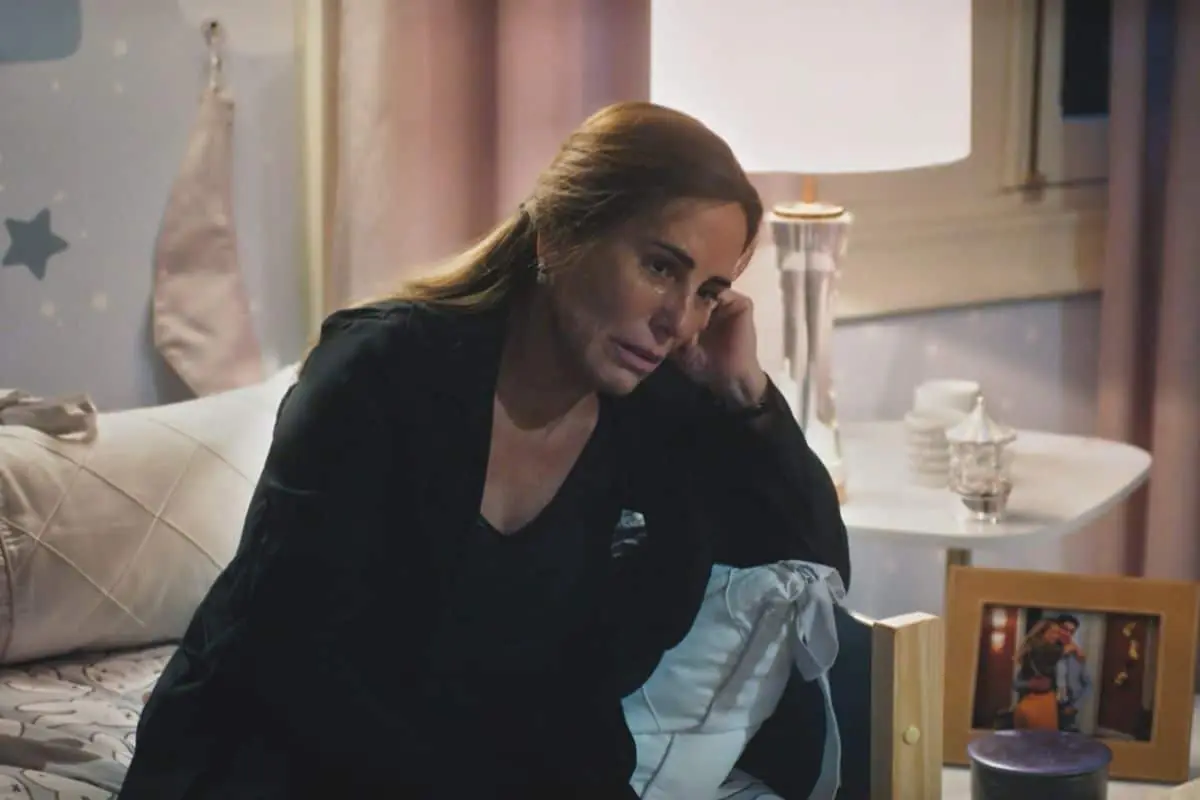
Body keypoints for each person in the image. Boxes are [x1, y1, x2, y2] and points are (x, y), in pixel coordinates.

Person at [118, 101, 849, 799]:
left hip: (514, 771)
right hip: (281, 763)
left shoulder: (656, 407)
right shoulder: (378, 373)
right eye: (661, 268)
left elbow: (814, 556)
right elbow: (300, 663)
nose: (679, 321)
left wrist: (746, 392)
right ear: (557, 235)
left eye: (708, 292)